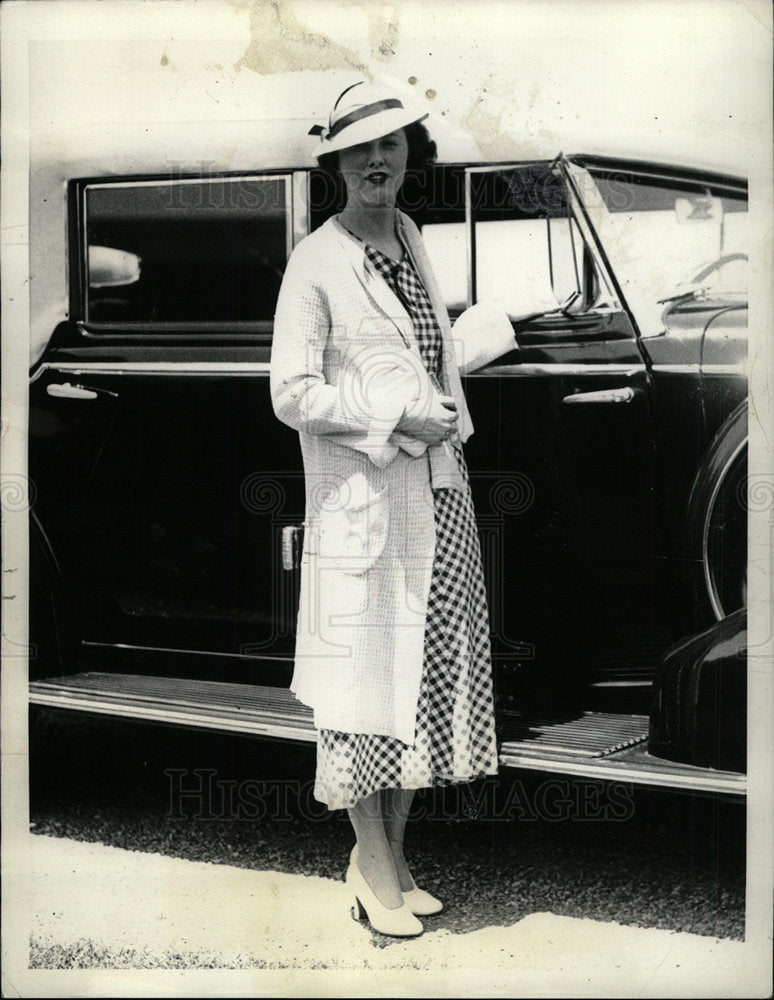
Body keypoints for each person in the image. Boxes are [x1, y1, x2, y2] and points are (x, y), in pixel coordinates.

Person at [270, 82, 499, 938]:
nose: (378, 161)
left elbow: (431, 354)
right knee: (365, 691)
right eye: (360, 150)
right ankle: (371, 867)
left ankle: (389, 861)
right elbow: (290, 393)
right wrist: (392, 417)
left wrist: (444, 409)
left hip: (439, 494)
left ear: (411, 156)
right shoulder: (315, 262)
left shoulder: (407, 236)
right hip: (364, 507)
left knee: (423, 686)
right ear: (333, 163)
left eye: (392, 146)